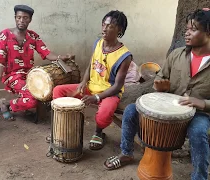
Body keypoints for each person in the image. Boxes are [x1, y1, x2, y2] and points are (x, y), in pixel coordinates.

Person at [104, 9, 210, 180]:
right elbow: (160, 78)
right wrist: (160, 86)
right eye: (187, 28)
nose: (187, 32)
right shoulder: (177, 55)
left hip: (199, 113)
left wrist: (202, 103)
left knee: (198, 132)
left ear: (208, 32)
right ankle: (126, 152)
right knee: (131, 111)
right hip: (170, 108)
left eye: (193, 29)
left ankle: (200, 177)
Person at [52, 10, 132, 150]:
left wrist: (96, 97)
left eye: (110, 26)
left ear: (119, 30)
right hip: (90, 86)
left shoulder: (124, 56)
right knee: (58, 91)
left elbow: (118, 86)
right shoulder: (98, 43)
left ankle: (98, 132)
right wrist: (83, 82)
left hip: (110, 92)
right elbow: (91, 63)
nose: (104, 29)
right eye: (103, 25)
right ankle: (64, 127)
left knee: (103, 115)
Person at [0, 5, 72, 120]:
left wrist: (60, 57)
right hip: (12, 75)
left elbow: (46, 52)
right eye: (18, 17)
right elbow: (0, 60)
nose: (21, 20)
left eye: (25, 18)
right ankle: (7, 105)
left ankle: (21, 103)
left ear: (30, 20)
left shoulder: (32, 36)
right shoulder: (5, 35)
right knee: (32, 100)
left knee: (46, 90)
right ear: (15, 18)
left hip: (30, 74)